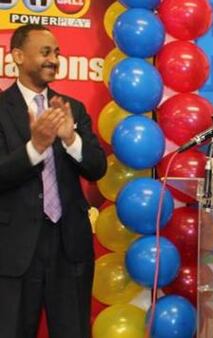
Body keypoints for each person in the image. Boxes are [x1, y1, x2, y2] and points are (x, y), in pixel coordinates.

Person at [0, 24, 107, 338]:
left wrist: (70, 138)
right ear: (18, 56)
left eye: (57, 53)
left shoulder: (73, 109)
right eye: (45, 52)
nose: (53, 59)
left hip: (69, 246)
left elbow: (97, 168)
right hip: (14, 250)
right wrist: (36, 147)